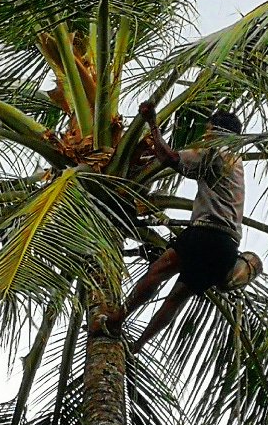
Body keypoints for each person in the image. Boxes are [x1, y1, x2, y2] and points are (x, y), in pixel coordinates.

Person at [105, 101, 246, 348]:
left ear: (215, 129)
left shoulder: (215, 149)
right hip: (228, 247)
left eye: (208, 129)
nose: (205, 134)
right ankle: (137, 346)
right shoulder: (236, 160)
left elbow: (170, 158)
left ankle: (117, 320)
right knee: (176, 299)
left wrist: (152, 123)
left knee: (158, 271)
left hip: (205, 234)